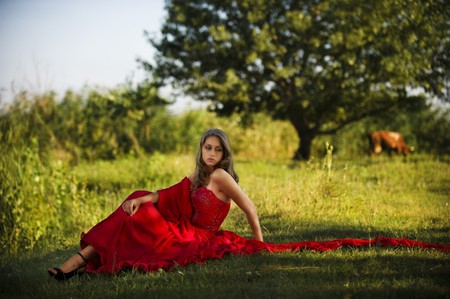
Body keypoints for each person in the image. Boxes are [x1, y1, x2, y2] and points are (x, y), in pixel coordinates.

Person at [48, 128, 449, 281]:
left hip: (200, 238)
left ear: (224, 155)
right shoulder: (199, 175)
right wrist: (144, 199)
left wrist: (258, 242)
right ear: (201, 150)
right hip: (183, 225)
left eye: (217, 150)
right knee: (137, 200)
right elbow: (169, 193)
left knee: (144, 223)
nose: (210, 154)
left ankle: (80, 263)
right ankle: (79, 262)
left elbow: (250, 208)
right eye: (206, 148)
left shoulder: (221, 177)